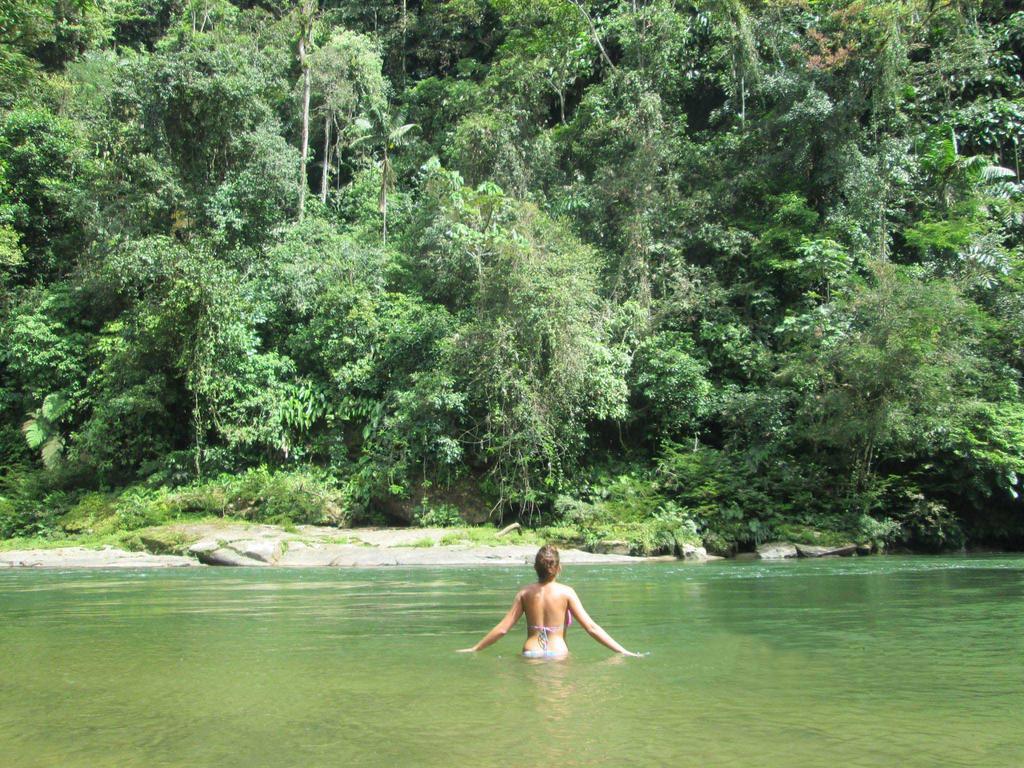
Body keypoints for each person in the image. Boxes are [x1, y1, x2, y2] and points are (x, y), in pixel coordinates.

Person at [457, 544, 642, 658]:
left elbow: (503, 628)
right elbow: (591, 628)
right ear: (559, 568)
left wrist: (475, 648)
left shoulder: (524, 593)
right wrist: (623, 651)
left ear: (535, 568)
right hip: (558, 653)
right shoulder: (567, 593)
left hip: (530, 653)